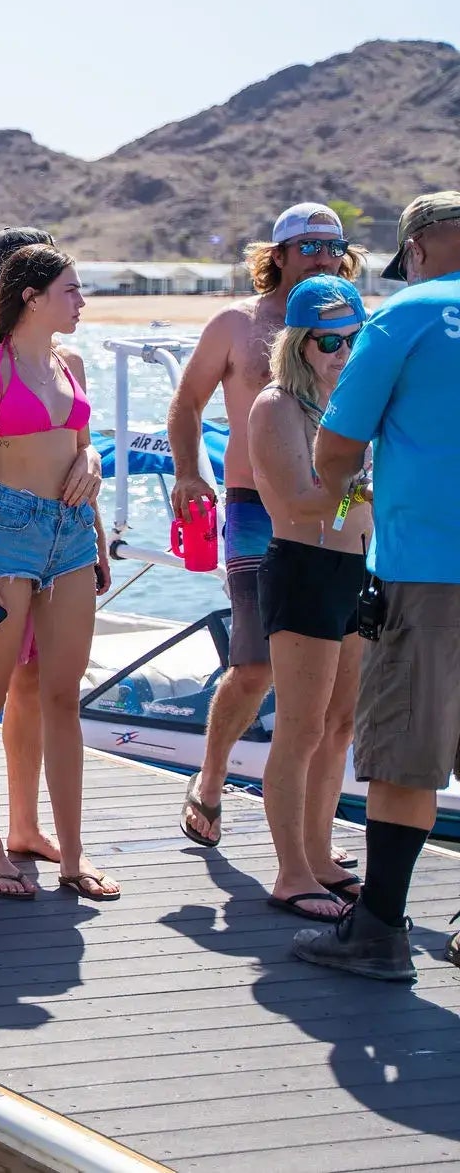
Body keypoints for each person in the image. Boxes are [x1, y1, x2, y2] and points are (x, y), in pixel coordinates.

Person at [298, 191, 460, 981]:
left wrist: (344, 489)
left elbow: (336, 445)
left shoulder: (411, 313)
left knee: (402, 757)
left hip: (428, 569)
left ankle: (379, 931)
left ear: (421, 246)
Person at [166, 203, 361, 849]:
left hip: (340, 517)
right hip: (256, 507)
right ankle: (212, 778)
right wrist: (189, 473)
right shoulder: (237, 324)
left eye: (332, 245)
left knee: (335, 694)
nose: (321, 256)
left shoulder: (350, 322)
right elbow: (187, 401)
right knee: (253, 664)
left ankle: (312, 836)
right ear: (276, 254)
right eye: (307, 245)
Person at [0, 245, 116, 901]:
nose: (81, 302)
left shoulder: (69, 363)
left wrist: (97, 482)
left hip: (71, 535)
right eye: (71, 290)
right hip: (7, 535)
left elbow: (80, 446)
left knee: (62, 695)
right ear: (32, 296)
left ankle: (72, 856)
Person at [249, 276, 372, 923]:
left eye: (354, 339)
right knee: (299, 726)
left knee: (340, 724)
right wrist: (369, 486)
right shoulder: (277, 406)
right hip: (303, 568)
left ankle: (321, 855)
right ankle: (291, 870)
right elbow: (301, 498)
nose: (342, 352)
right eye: (329, 341)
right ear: (299, 342)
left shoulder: (348, 405)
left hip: (355, 569)